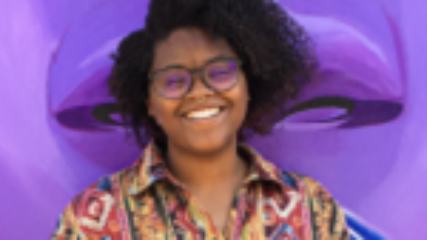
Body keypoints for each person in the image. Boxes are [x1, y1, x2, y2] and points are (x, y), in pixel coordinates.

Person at [52, 0, 349, 239]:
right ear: (149, 102)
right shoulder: (92, 220)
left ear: (250, 84)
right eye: (172, 80)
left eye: (220, 72)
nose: (199, 92)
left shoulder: (311, 209)